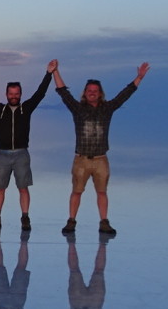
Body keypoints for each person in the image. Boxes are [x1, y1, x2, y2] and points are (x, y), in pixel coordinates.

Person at [51, 61, 151, 236]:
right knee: (76, 191)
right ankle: (71, 221)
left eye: (95, 91)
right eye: (89, 91)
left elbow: (124, 95)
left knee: (102, 192)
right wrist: (55, 72)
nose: (92, 93)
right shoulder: (78, 108)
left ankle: (104, 222)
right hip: (81, 159)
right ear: (85, 93)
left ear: (99, 94)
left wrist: (139, 78)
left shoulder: (107, 108)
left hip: (101, 160)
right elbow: (63, 93)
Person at [0, 60, 57, 231]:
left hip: (21, 154)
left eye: (16, 93)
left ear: (20, 94)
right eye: (11, 93)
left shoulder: (26, 108)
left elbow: (40, 94)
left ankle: (25, 218)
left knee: (23, 188)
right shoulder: (0, 110)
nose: (13, 96)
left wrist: (48, 74)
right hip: (3, 154)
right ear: (6, 94)